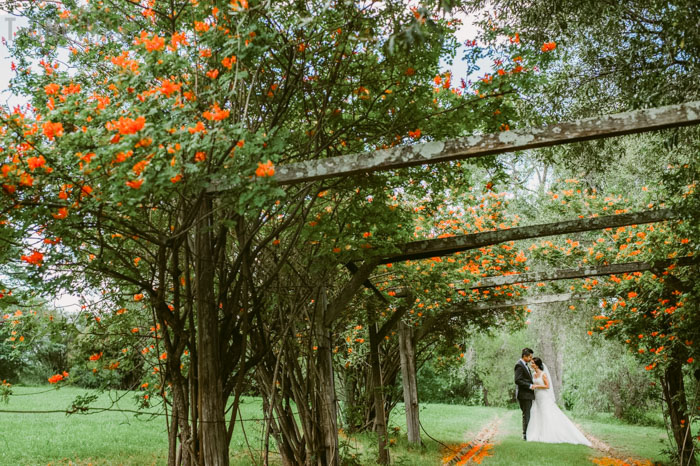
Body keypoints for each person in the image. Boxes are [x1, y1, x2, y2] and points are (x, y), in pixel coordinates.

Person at [526, 357, 592, 446]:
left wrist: (536, 386)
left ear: (537, 365)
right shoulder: (533, 374)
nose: (531, 364)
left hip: (544, 396)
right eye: (531, 363)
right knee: (537, 413)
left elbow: (547, 386)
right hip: (537, 397)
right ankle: (536, 434)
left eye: (533, 363)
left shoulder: (543, 374)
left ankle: (549, 434)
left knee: (546, 414)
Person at [514, 348, 535, 440]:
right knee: (526, 414)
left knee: (527, 414)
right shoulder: (519, 365)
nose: (531, 359)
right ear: (524, 356)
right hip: (524, 394)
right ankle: (525, 434)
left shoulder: (524, 365)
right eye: (530, 357)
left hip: (527, 394)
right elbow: (517, 380)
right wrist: (529, 386)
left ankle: (527, 433)